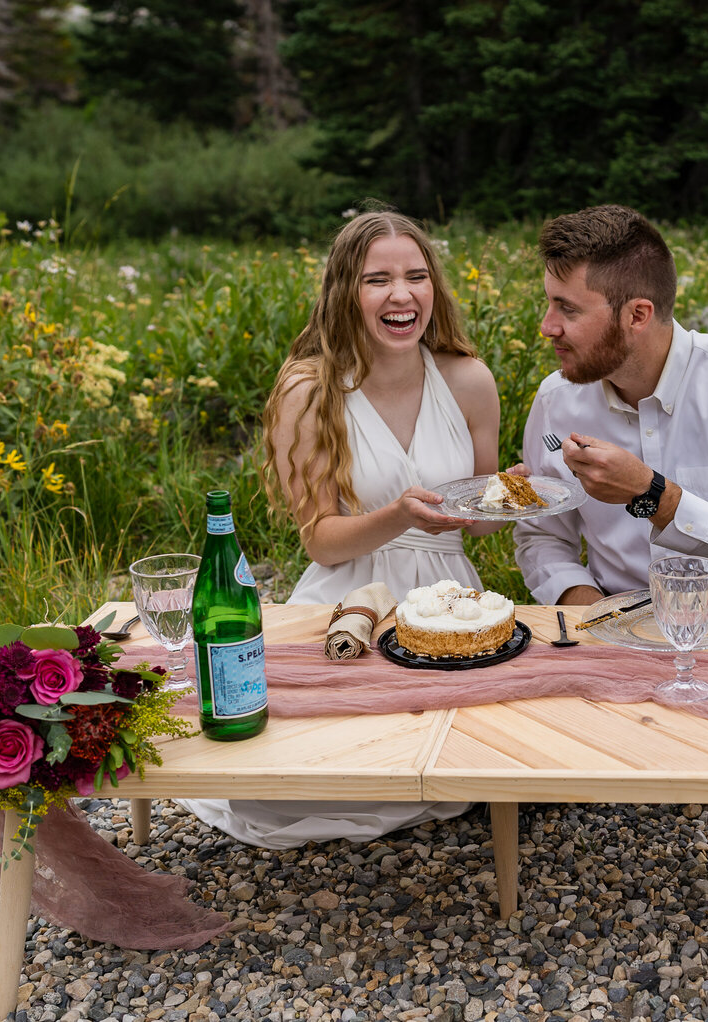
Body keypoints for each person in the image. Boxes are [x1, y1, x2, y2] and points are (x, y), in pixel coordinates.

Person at [178, 210, 497, 848]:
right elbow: (320, 539)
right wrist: (399, 516)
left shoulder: (468, 380)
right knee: (294, 789)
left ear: (434, 287)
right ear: (345, 292)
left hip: (449, 603)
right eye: (378, 279)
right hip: (346, 596)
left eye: (416, 276)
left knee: (468, 764)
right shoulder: (310, 389)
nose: (402, 294)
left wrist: (504, 496)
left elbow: (481, 521)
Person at [514, 204, 708, 609]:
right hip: (612, 622)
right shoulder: (557, 400)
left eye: (567, 309)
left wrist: (653, 495)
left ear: (637, 315)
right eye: (550, 304)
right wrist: (587, 605)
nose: (547, 326)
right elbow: (543, 536)